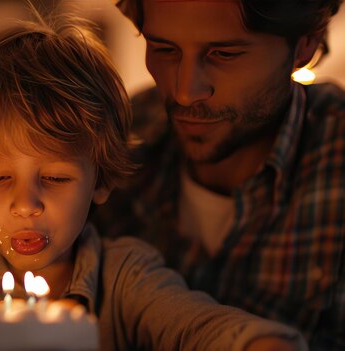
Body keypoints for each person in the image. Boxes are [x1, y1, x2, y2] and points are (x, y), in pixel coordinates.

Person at [0, 15, 308, 351]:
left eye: (55, 177)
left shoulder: (126, 277)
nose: (25, 204)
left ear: (101, 182)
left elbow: (199, 327)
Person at [91, 0, 345, 349]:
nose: (185, 91)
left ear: (305, 45)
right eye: (164, 49)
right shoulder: (113, 142)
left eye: (224, 54)